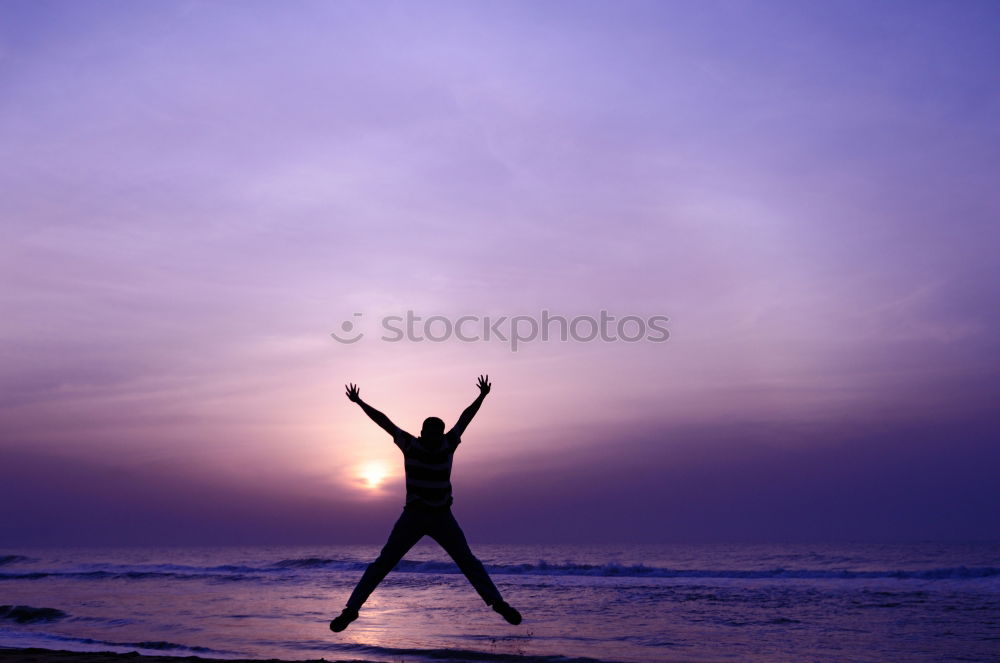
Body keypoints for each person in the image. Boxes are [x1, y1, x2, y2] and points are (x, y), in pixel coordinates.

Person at [329, 374, 522, 632]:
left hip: (443, 516)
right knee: (383, 563)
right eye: (429, 432)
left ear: (440, 433)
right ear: (422, 432)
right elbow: (384, 422)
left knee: (468, 562)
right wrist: (360, 402)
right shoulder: (410, 444)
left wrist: (482, 397)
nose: (432, 436)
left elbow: (465, 419)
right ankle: (351, 610)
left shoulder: (448, 444)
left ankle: (498, 604)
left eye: (436, 432)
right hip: (414, 516)